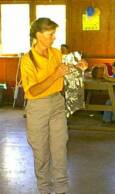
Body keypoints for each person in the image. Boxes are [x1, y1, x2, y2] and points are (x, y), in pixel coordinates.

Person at [21, 18, 69, 194]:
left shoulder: (56, 53)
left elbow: (66, 70)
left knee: (59, 149)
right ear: (38, 35)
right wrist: (56, 75)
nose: (54, 37)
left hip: (57, 103)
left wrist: (79, 67)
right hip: (37, 108)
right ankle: (44, 190)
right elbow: (33, 90)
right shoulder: (27, 60)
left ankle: (62, 189)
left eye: (54, 33)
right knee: (41, 152)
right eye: (50, 34)